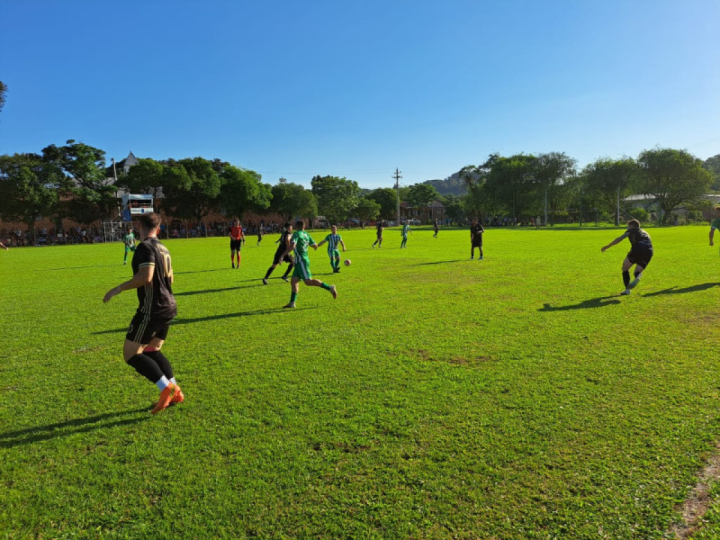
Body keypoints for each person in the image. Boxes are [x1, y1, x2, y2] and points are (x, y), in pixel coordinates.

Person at [103, 212, 184, 414]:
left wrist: (118, 288)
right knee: (151, 350)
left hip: (152, 308)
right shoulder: (164, 248)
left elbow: (146, 276)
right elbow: (171, 279)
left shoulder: (145, 247)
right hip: (169, 305)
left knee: (131, 354)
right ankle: (176, 391)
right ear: (158, 228)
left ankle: (166, 388)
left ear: (140, 226)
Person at [279, 220, 338, 308]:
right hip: (301, 260)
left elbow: (292, 246)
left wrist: (283, 255)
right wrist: (309, 245)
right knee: (294, 281)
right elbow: (315, 246)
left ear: (296, 226)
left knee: (308, 281)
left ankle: (330, 288)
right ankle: (292, 303)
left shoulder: (296, 234)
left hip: (301, 261)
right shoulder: (307, 235)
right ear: (304, 227)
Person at [601, 219, 653, 296]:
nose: (627, 228)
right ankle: (638, 276)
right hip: (649, 251)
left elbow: (619, 239)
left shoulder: (631, 230)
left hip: (637, 249)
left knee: (625, 268)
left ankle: (627, 290)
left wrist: (608, 246)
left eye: (628, 226)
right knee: (637, 271)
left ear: (631, 226)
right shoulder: (645, 232)